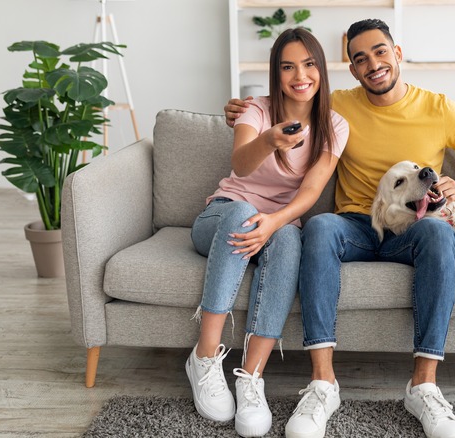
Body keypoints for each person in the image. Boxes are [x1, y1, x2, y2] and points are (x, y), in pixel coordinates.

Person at [226, 19, 455, 438]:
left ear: (397, 54)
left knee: (439, 234)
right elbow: (285, 101)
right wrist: (238, 110)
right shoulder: (337, 105)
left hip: (413, 228)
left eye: (380, 52)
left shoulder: (440, 109)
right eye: (360, 59)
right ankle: (323, 384)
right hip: (355, 225)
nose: (373, 64)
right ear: (352, 69)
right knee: (320, 226)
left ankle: (424, 386)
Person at [188, 28, 348, 438]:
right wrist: (269, 141)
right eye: (288, 66)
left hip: (276, 228)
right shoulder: (256, 111)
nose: (300, 75)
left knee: (293, 235)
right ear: (276, 73)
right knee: (243, 210)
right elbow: (240, 164)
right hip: (222, 217)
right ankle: (204, 358)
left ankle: (251, 377)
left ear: (322, 70)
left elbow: (311, 191)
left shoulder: (334, 125)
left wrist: (275, 222)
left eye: (309, 64)